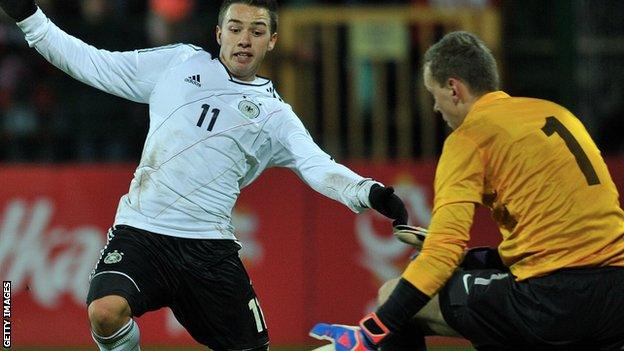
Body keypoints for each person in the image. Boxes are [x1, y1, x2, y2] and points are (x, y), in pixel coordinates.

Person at [0, 1, 411, 350]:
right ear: (219, 33)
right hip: (142, 231)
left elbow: (317, 166)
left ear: (272, 41)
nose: (244, 39)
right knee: (106, 311)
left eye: (257, 30)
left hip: (209, 251)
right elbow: (94, 63)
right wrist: (30, 18)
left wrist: (370, 192)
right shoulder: (178, 63)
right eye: (235, 28)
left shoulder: (276, 116)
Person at [310, 31, 624, 350]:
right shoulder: (557, 113)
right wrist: (473, 259)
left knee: (393, 294)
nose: (435, 107)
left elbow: (440, 255)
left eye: (435, 94)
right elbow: (567, 237)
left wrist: (369, 333)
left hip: (553, 301)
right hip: (616, 295)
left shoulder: (470, 137)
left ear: (454, 88)